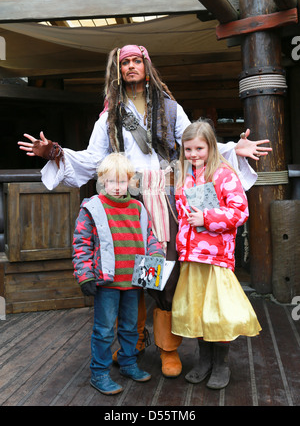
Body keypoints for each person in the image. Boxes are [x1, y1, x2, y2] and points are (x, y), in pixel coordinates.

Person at [18, 44, 271, 378]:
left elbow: (193, 142)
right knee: (133, 270)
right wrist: (54, 152)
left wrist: (230, 148)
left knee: (163, 274)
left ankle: (168, 348)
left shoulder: (169, 107)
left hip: (164, 199)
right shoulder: (110, 114)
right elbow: (94, 158)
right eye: (125, 63)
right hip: (128, 203)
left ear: (147, 66)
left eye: (137, 61)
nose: (131, 66)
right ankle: (134, 342)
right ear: (118, 71)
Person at [172, 120, 262, 389]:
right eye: (188, 149)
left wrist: (206, 217)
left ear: (211, 146)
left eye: (199, 148)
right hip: (191, 256)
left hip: (216, 258)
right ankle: (204, 361)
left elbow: (239, 212)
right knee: (199, 311)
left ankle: (221, 364)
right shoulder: (185, 176)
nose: (193, 154)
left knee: (218, 313)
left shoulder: (224, 174)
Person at [73, 152, 164, 395]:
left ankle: (128, 363)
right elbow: (81, 244)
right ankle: (99, 373)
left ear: (130, 182)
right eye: (111, 181)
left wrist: (157, 260)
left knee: (130, 327)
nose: (116, 186)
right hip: (107, 282)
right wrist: (85, 275)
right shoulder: (92, 207)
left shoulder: (138, 208)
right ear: (101, 180)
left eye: (122, 181)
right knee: (103, 330)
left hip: (134, 281)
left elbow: (150, 238)